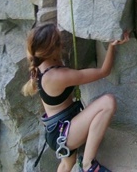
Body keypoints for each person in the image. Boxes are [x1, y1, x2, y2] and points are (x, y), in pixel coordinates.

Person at [22, 23, 130, 172]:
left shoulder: (40, 63)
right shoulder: (57, 76)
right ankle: (88, 165)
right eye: (59, 41)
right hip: (64, 132)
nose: (63, 43)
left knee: (67, 164)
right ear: (52, 49)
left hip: (57, 130)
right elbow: (104, 71)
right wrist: (112, 46)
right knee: (108, 102)